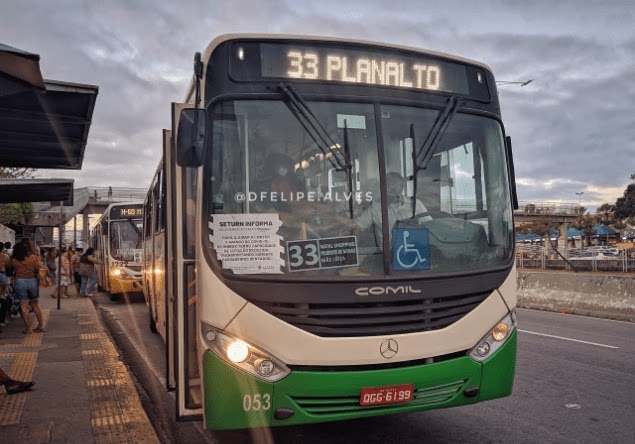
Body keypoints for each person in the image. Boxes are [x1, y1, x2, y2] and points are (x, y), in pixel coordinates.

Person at [356, 171, 432, 241]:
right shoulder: (376, 208)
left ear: (402, 187)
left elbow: (431, 226)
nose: (394, 193)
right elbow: (357, 225)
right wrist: (344, 219)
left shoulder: (415, 205)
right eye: (391, 189)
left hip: (413, 251)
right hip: (386, 254)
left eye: (395, 188)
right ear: (384, 189)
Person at [9, 243, 50, 334]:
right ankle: (40, 326)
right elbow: (43, 268)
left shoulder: (13, 260)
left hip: (20, 282)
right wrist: (49, 278)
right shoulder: (33, 258)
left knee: (24, 305)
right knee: (35, 304)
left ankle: (29, 328)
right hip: (32, 282)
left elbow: (10, 271)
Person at [0, 243, 11, 327]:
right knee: (4, 296)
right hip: (3, 276)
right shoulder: (6, 257)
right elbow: (8, 268)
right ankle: (2, 320)